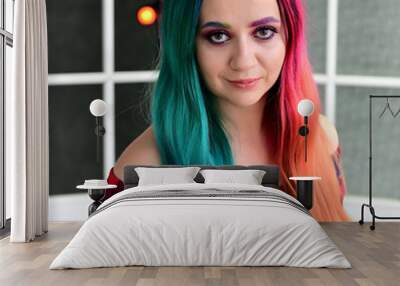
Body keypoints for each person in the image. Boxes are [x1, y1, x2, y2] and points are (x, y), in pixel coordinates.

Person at [105, 0, 350, 221]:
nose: (243, 61)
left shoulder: (322, 137)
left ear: (290, 37)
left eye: (264, 32)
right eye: (218, 36)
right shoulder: (143, 167)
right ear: (185, 46)